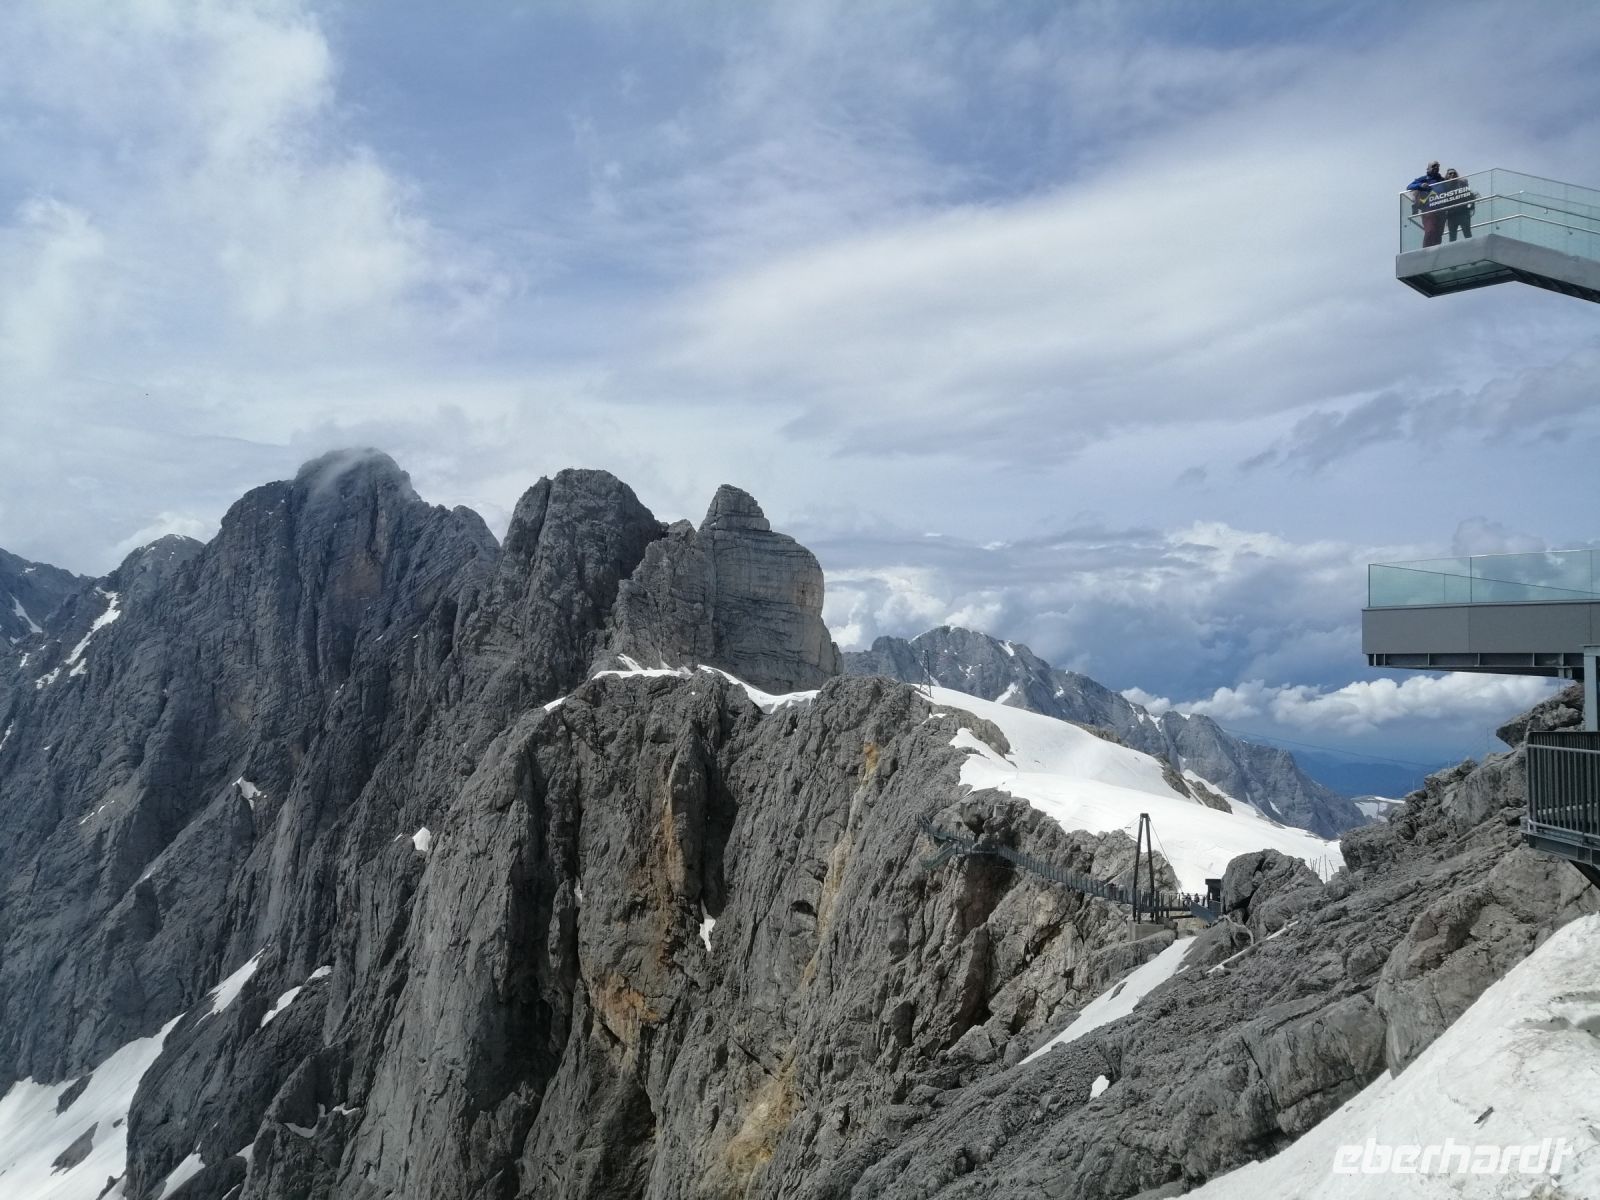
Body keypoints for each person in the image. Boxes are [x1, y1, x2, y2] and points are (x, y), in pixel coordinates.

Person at [1407, 161, 1444, 247]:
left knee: (1438, 233)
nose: (1436, 168)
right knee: (1430, 230)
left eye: (1437, 166)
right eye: (1434, 166)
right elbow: (1409, 186)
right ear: (1429, 168)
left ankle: (1436, 250)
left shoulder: (1441, 180)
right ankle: (1425, 251)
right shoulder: (1425, 178)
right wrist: (1421, 185)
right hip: (1428, 209)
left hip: (1441, 209)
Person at [1432, 168, 1475, 241]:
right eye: (1450, 173)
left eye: (1454, 173)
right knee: (1452, 236)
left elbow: (1470, 196)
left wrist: (1470, 207)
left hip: (1463, 212)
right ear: (1447, 176)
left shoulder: (1462, 184)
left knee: (1467, 233)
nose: (1452, 175)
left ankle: (1472, 249)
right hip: (1451, 215)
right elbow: (1441, 200)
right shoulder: (1444, 187)